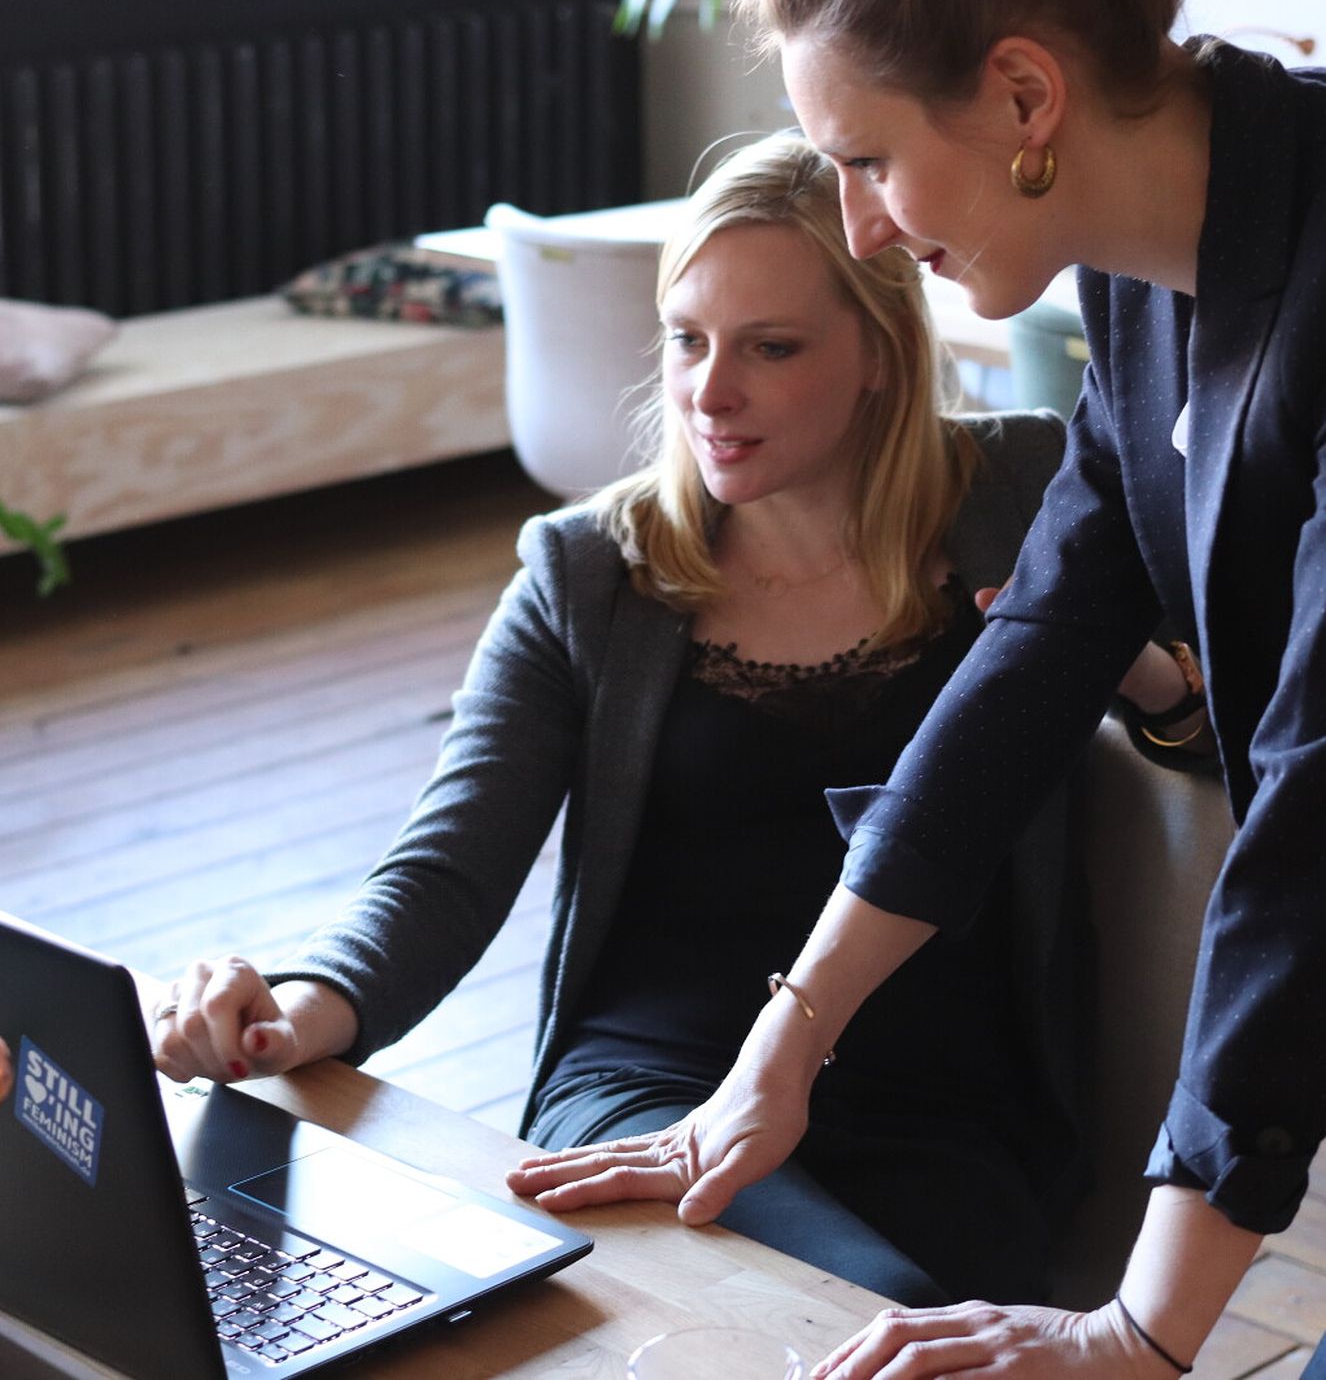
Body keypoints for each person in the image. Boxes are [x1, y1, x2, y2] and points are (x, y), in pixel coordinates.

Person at [131, 131, 1178, 1309]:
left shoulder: (1027, 493)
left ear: (881, 353)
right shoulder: (589, 571)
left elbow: (1216, 728)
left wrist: (1141, 679)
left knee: (869, 1312)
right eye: (687, 339)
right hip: (648, 1085)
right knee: (827, 1312)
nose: (708, 392)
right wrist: (296, 1010)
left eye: (770, 348)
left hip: (946, 1105)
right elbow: (446, 870)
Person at [512, 0, 1326, 1376]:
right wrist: (783, 1048)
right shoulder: (1146, 267)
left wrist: (1138, 1331)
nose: (859, 227)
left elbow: (1313, 809)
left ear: (1023, 97)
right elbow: (1042, 641)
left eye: (868, 161)